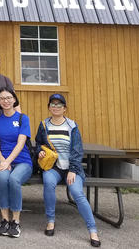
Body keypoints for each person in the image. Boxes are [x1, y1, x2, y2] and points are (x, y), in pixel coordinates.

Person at [36, 93, 101, 247]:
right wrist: (40, 151)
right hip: (54, 167)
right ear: (49, 107)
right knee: (48, 182)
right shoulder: (44, 124)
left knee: (77, 193)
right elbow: (38, 143)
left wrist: (73, 169)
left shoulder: (71, 125)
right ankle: (50, 221)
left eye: (59, 104)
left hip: (72, 168)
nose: (56, 107)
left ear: (65, 108)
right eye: (53, 104)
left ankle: (92, 230)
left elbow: (77, 150)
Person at [0, 88, 33, 238]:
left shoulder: (23, 118)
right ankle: (4, 220)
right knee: (3, 178)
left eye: (9, 98)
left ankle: (15, 221)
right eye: (2, 98)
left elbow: (20, 143)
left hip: (22, 162)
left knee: (14, 179)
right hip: (3, 160)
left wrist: (8, 161)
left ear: (14, 100)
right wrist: (3, 161)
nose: (6, 101)